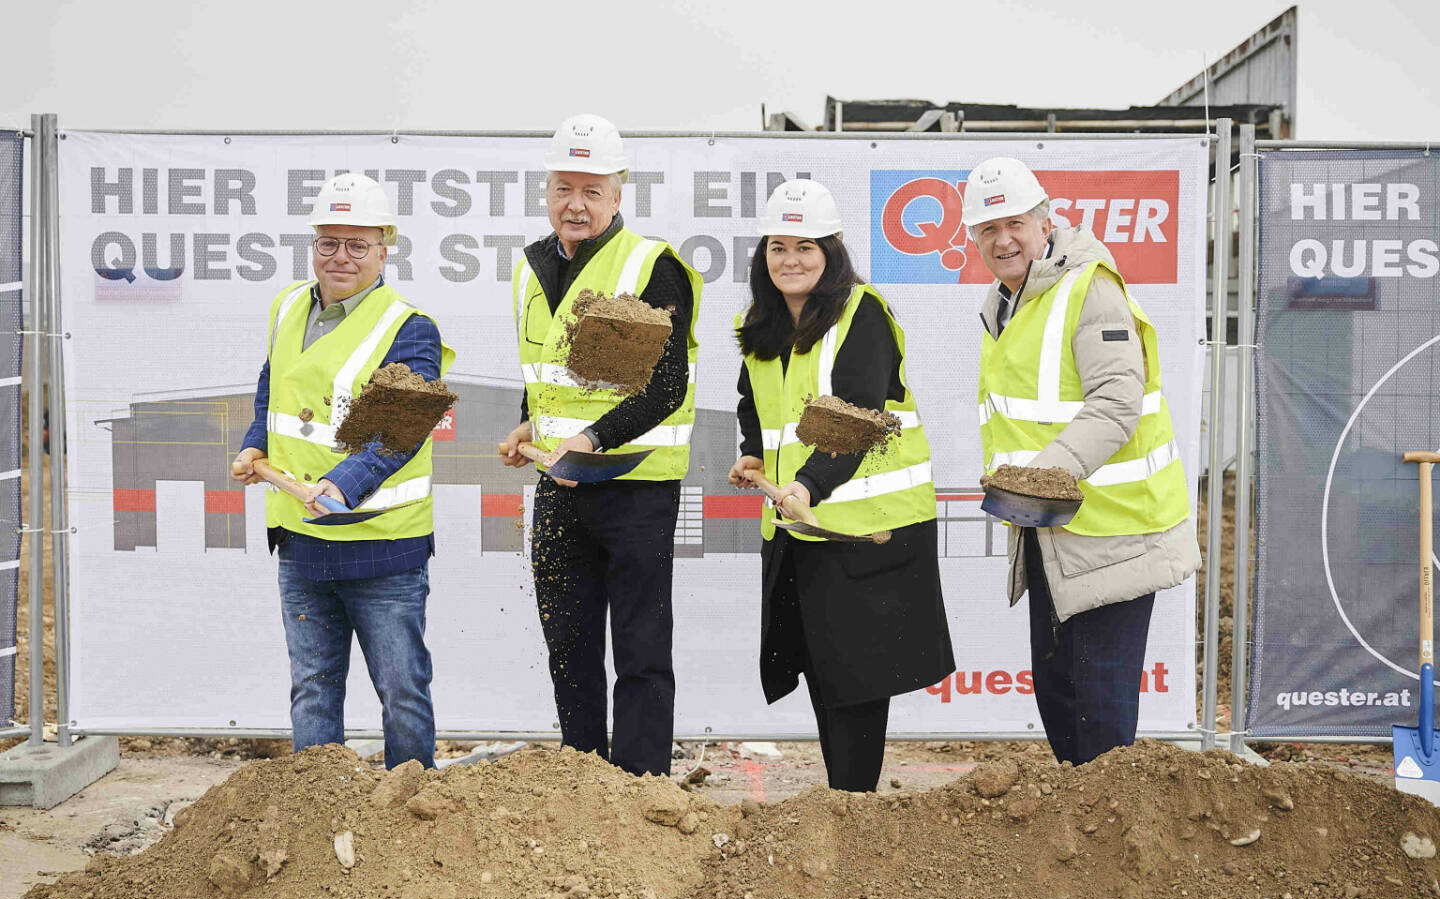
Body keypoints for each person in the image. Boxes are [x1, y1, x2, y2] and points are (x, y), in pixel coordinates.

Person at [964, 157, 1200, 766]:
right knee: (1060, 696)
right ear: (974, 240)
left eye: (1015, 223)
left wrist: (1036, 476)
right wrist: (1024, 486)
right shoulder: (1008, 301)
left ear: (1045, 222)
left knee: (1100, 712)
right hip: (1051, 527)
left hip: (1115, 534)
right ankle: (1080, 842)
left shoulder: (1087, 286)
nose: (1003, 240)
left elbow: (1118, 403)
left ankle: (1113, 851)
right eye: (988, 230)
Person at [728, 180, 954, 792]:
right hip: (802, 525)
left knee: (856, 677)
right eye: (778, 246)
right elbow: (754, 403)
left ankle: (854, 807)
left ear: (832, 251)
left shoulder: (863, 313)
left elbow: (855, 418)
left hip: (865, 531)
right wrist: (753, 456)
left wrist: (806, 484)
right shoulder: (762, 322)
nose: (790, 260)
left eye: (805, 246)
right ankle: (844, 802)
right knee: (824, 668)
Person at [497, 114, 702, 777]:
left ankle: (642, 794)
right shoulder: (531, 268)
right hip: (560, 487)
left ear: (618, 194)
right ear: (546, 190)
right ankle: (583, 786)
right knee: (570, 645)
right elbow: (549, 368)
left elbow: (666, 386)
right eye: (563, 188)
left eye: (591, 190)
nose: (575, 204)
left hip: (635, 486)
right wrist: (529, 421)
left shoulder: (651, 266)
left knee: (641, 650)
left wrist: (591, 438)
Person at [231, 173, 454, 770]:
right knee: (313, 693)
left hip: (382, 546)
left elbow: (399, 431)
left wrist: (343, 484)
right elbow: (270, 392)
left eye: (358, 244)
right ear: (313, 246)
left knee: (402, 695)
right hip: (301, 541)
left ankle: (408, 813)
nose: (341, 257)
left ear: (385, 249)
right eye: (329, 242)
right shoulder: (286, 308)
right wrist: (256, 444)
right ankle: (316, 822)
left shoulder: (408, 328)